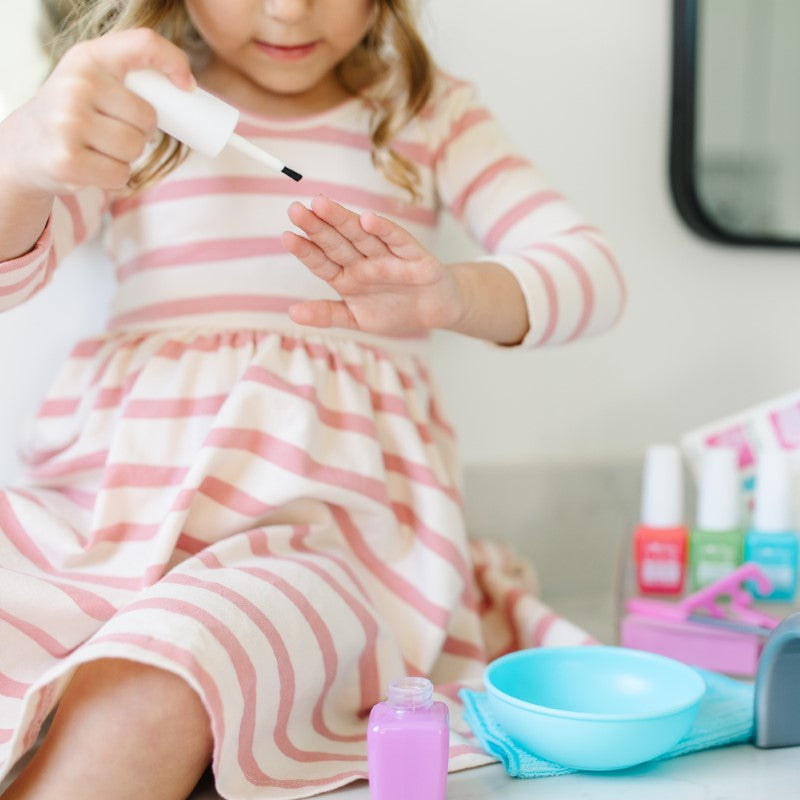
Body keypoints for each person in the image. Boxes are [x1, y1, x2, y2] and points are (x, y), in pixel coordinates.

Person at [0, 1, 626, 798]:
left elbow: (592, 272)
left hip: (317, 548)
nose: (290, 9)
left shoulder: (424, 115)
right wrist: (17, 160)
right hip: (101, 524)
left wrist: (452, 296)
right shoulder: (143, 104)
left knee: (160, 679)